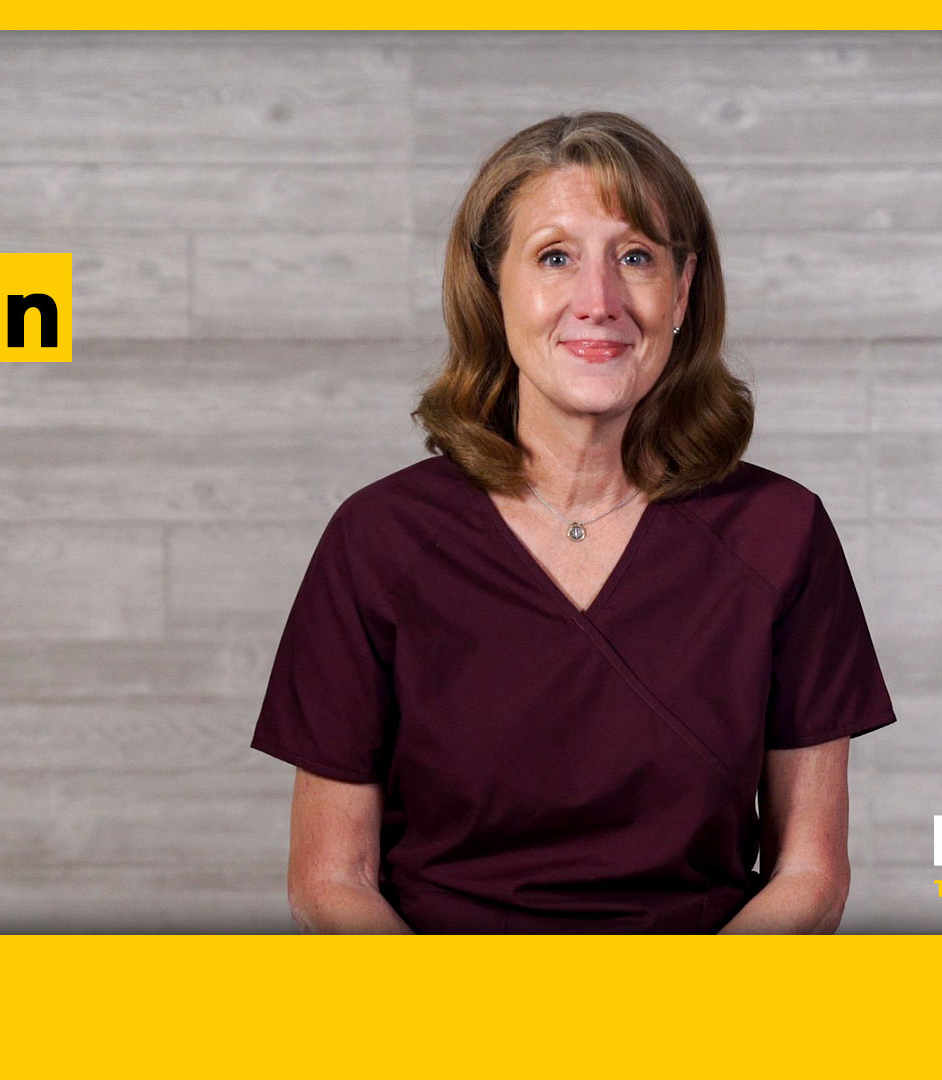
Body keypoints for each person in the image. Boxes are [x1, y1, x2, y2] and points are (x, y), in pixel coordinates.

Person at [249, 111, 897, 933]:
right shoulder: (380, 540)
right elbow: (330, 882)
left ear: (684, 290)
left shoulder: (781, 533)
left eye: (635, 258)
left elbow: (810, 875)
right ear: (493, 287)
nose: (599, 301)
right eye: (555, 257)